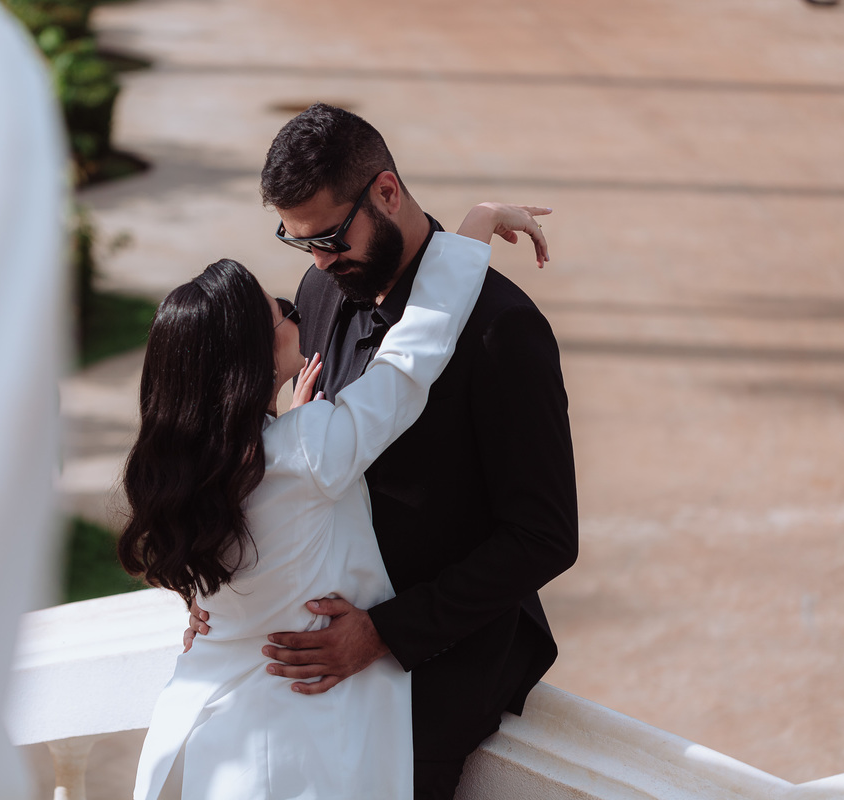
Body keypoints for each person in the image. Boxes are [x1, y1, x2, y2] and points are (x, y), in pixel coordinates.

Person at [189, 103, 578, 799]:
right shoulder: (321, 288)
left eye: (331, 237)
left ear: (387, 193)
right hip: (315, 657)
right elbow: (286, 468)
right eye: (300, 243)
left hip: (434, 666)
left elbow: (544, 536)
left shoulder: (503, 329)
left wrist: (384, 634)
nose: (319, 261)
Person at [120, 203, 550, 799]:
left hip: (208, 740)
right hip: (297, 754)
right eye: (282, 311)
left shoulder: (187, 478)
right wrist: (475, 227)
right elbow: (409, 359)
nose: (298, 312)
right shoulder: (306, 450)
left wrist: (288, 423)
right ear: (252, 360)